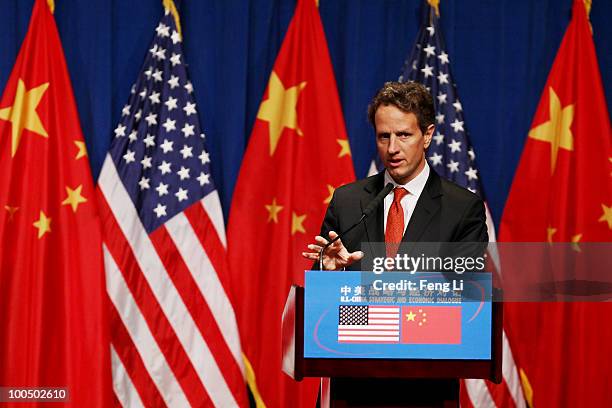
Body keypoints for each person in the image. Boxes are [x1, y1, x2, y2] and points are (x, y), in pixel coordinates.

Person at [302, 81, 488, 270]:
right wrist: (331, 274)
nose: (392, 149)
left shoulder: (463, 209)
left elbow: (468, 292)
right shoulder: (346, 202)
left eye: (403, 135)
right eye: (384, 136)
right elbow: (320, 292)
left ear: (427, 135)